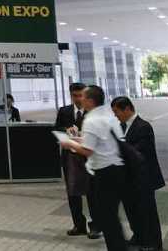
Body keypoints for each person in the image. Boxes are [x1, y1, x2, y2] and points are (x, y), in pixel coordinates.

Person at [60, 85, 128, 251]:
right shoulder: (107, 115)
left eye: (82, 96)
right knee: (111, 216)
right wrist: (78, 140)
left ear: (90, 100)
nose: (79, 99)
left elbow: (88, 151)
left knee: (108, 217)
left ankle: (117, 247)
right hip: (117, 168)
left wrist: (69, 143)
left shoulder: (91, 120)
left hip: (104, 171)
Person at [112, 96, 164, 251]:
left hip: (143, 178)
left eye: (116, 112)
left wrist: (117, 150)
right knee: (132, 211)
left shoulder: (143, 127)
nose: (115, 116)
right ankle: (139, 237)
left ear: (127, 109)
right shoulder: (120, 126)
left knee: (147, 212)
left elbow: (139, 152)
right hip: (127, 178)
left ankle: (153, 243)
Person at [54, 82, 98, 238]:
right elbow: (56, 128)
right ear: (71, 95)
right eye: (75, 95)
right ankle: (78, 225)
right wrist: (65, 130)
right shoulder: (64, 111)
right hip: (70, 158)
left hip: (88, 157)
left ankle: (95, 226)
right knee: (73, 193)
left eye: (81, 95)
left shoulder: (93, 111)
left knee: (92, 192)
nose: (78, 99)